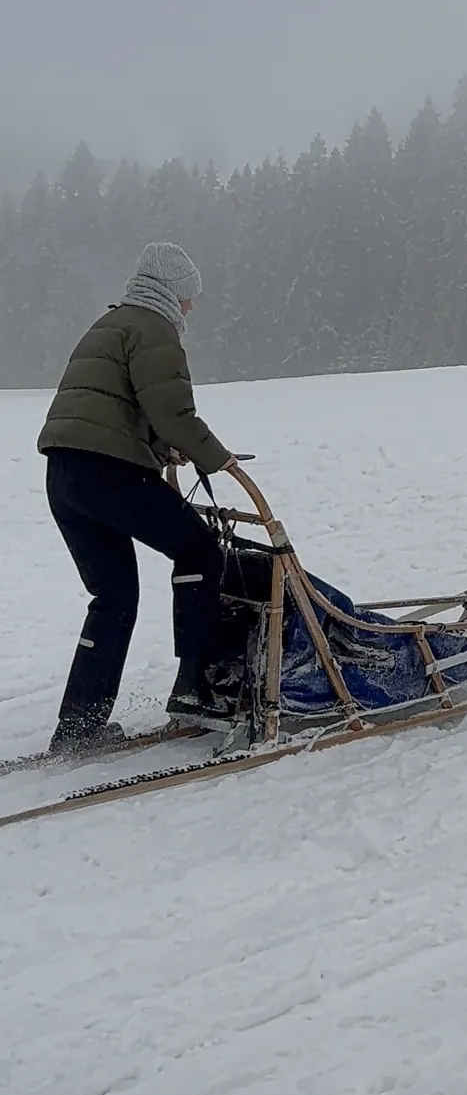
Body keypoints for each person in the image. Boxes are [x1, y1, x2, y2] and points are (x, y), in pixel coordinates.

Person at [38, 242, 243, 757]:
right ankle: (196, 686)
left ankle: (78, 725)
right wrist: (217, 458)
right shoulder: (155, 329)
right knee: (198, 551)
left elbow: (113, 405)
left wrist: (158, 448)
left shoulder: (109, 325)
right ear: (172, 292)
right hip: (108, 472)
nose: (190, 309)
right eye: (189, 298)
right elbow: (172, 411)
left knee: (113, 597)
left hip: (65, 474)